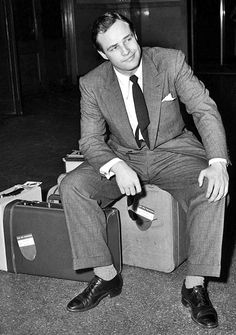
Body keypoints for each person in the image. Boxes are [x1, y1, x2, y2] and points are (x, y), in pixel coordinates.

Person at [60, 12, 229, 329]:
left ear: (135, 35)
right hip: (124, 153)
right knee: (73, 187)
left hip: (174, 149)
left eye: (128, 39)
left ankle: (194, 286)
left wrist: (218, 162)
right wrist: (116, 164)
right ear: (102, 54)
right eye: (114, 48)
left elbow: (204, 109)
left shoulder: (169, 61)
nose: (126, 51)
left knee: (214, 188)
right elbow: (91, 140)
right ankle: (106, 277)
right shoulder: (93, 83)